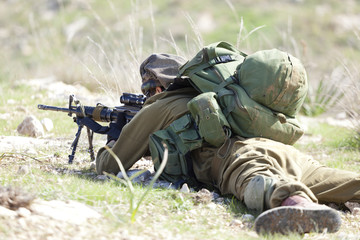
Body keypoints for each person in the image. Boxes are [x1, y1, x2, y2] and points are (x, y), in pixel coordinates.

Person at [96, 53, 360, 235]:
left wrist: (115, 135)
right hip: (287, 154)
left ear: (155, 87)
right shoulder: (227, 98)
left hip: (240, 157)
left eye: (148, 91)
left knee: (260, 181)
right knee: (343, 181)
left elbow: (110, 165)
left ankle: (300, 207)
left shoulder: (161, 106)